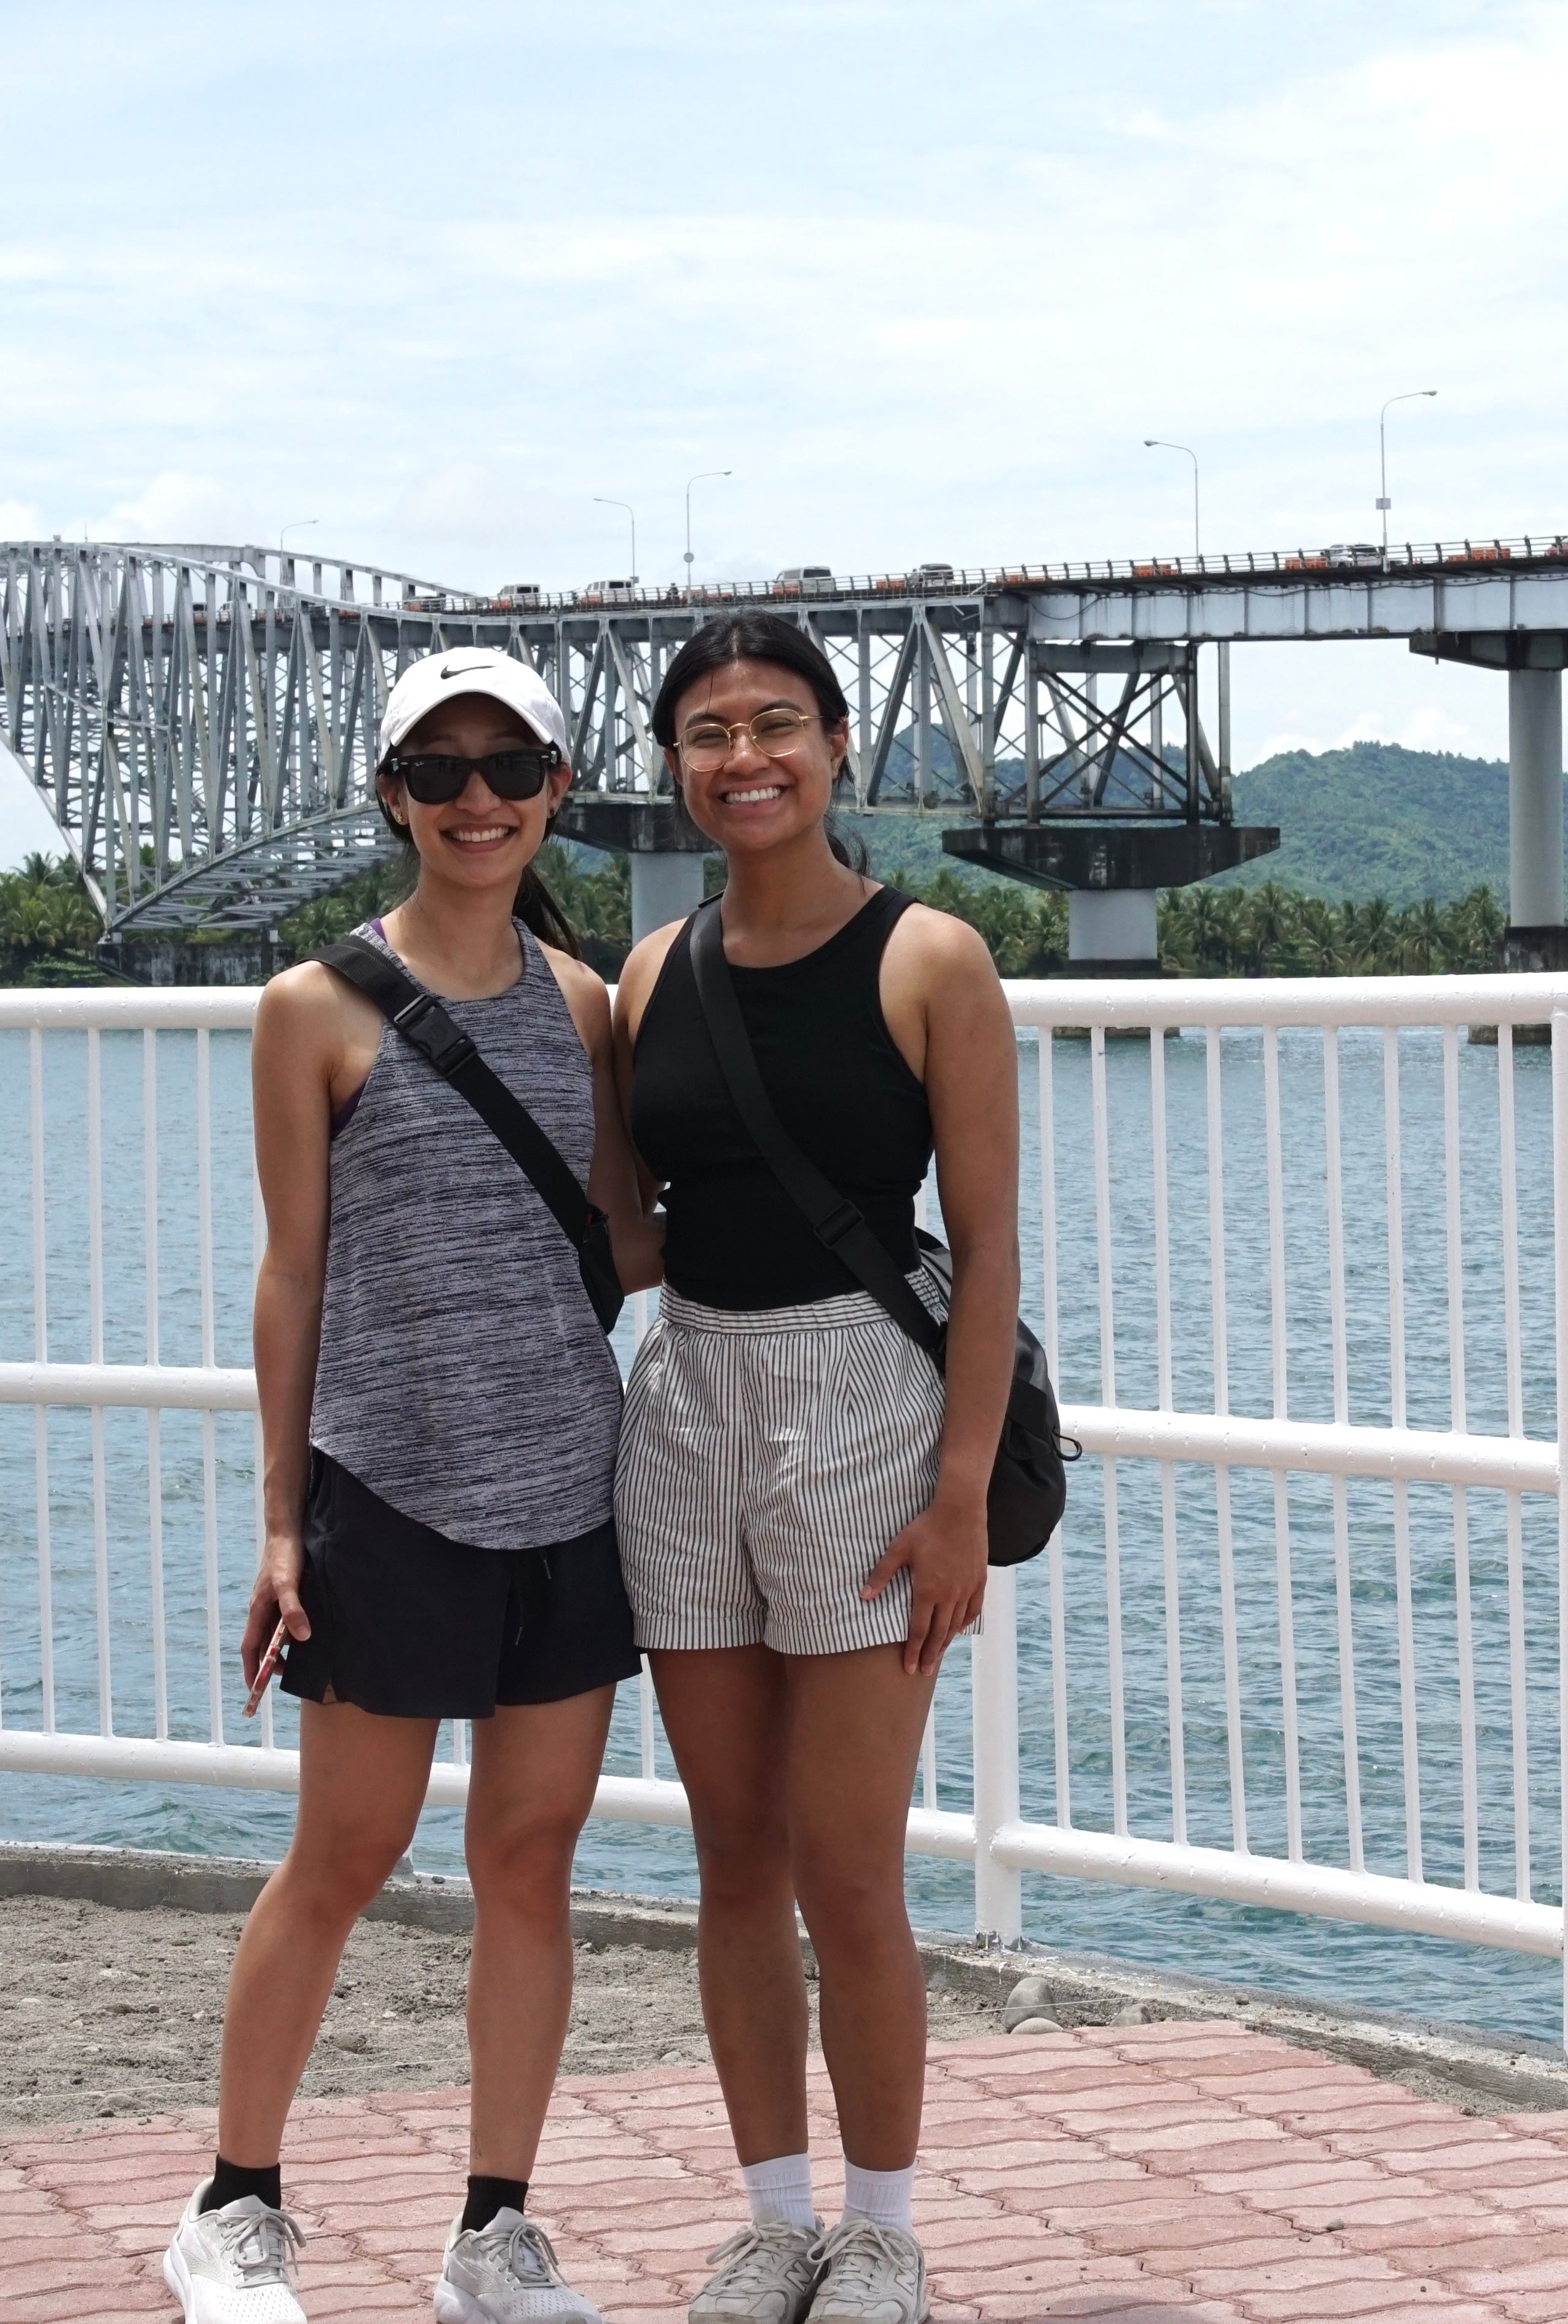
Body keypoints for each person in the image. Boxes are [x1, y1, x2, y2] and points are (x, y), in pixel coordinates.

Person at [165, 646, 659, 2324]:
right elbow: (291, 1274)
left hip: (573, 1491)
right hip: (392, 1484)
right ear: (393, 797)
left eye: (507, 766)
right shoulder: (315, 1005)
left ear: (555, 790)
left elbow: (623, 1236)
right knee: (344, 1851)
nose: (476, 799)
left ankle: (494, 2232)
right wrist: (284, 1518)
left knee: (532, 1860)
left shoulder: (588, 1005)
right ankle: (234, 2204)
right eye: (438, 772)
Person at [609, 614, 1022, 2324]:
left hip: (866, 1407)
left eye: (778, 724)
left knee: (851, 1862)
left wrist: (960, 1495)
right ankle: (773, 2219)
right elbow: (631, 1232)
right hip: (690, 1390)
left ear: (840, 746)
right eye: (709, 733)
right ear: (678, 765)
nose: (745, 757)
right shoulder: (648, 971)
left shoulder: (932, 958)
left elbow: (988, 1251)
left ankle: (884, 2231)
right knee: (729, 1856)